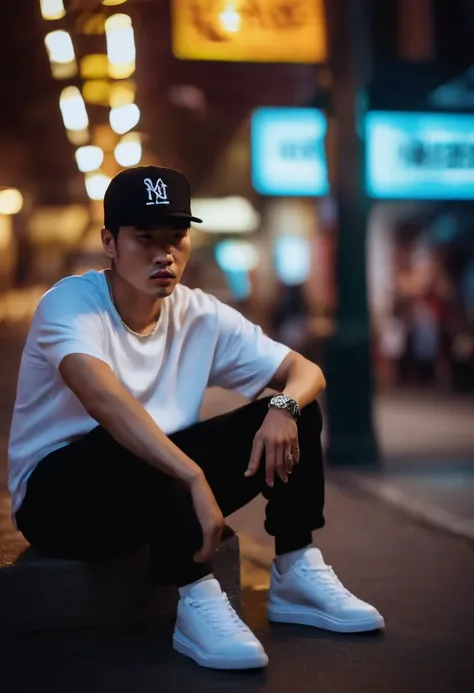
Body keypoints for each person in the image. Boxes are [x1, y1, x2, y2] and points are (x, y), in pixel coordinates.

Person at [8, 166, 384, 671]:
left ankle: (296, 568)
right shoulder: (70, 305)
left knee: (298, 410)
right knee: (137, 438)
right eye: (144, 236)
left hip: (157, 488)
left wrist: (282, 406)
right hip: (60, 502)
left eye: (176, 236)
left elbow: (305, 371)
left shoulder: (198, 313)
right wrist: (191, 474)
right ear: (110, 242)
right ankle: (196, 598)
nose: (164, 252)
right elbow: (107, 403)